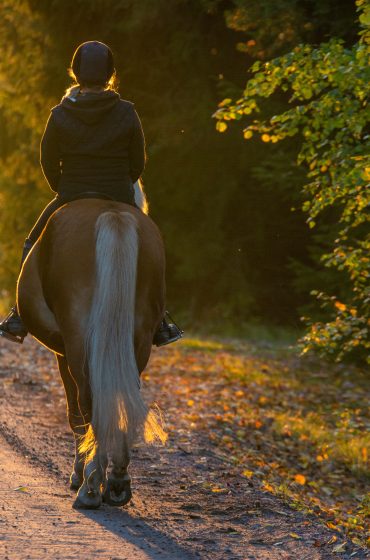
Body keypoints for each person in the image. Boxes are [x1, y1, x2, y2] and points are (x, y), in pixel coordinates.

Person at [0, 40, 182, 347]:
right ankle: (161, 319)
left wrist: (63, 187)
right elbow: (139, 161)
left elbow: (47, 159)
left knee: (32, 242)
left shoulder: (59, 114)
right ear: (110, 73)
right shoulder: (127, 112)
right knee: (153, 245)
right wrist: (121, 185)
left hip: (70, 193)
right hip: (117, 193)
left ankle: (18, 315)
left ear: (75, 73)